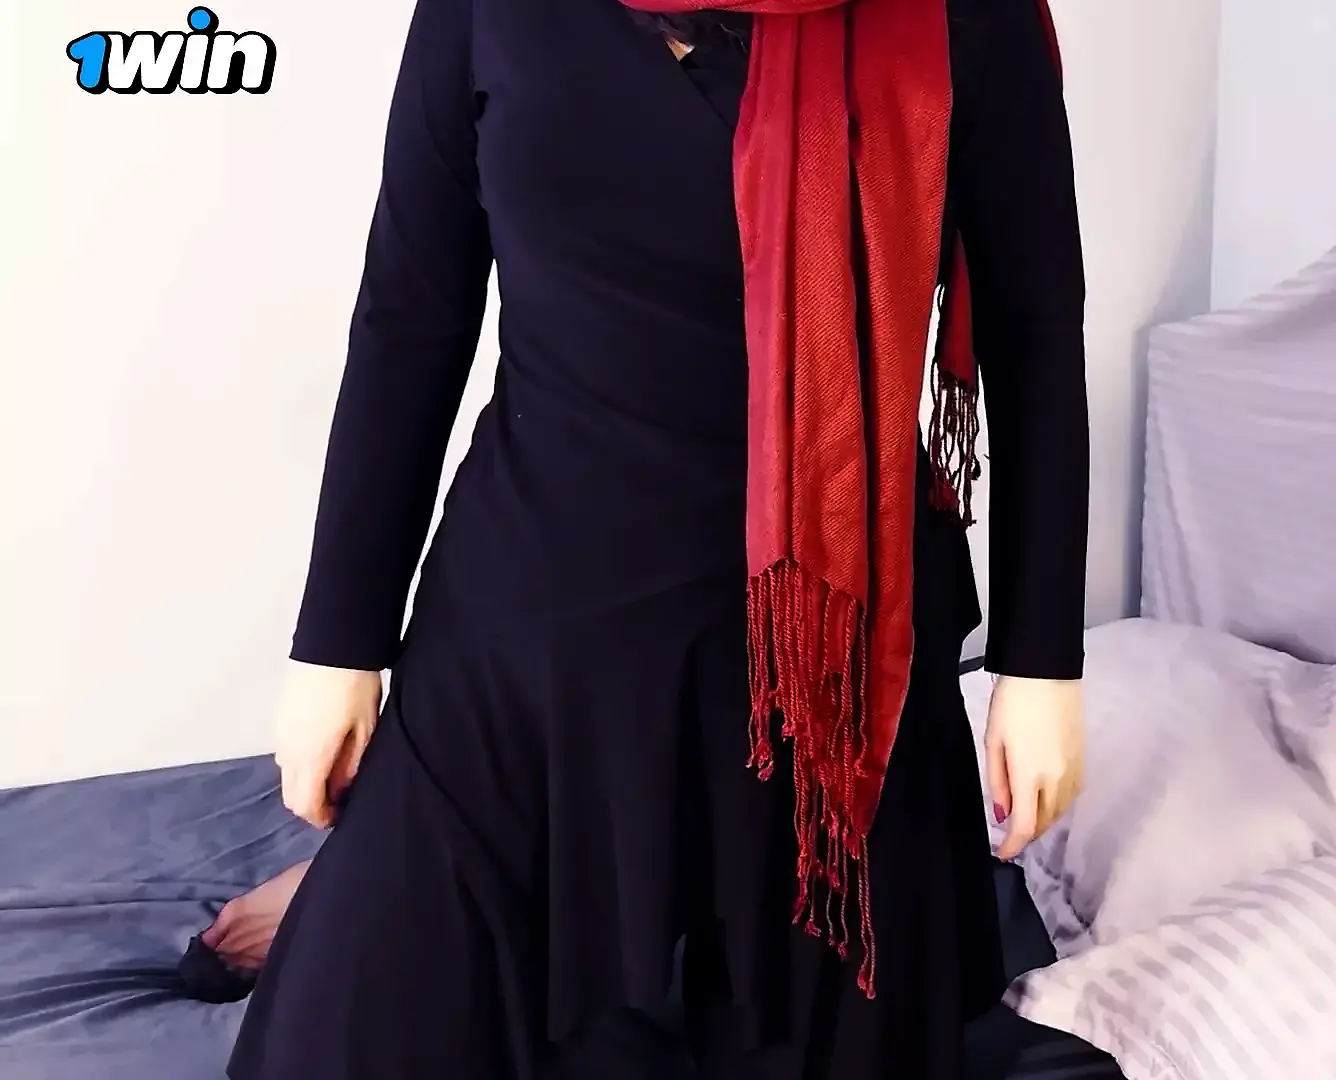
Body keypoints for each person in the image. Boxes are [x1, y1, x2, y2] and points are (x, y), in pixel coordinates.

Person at [222, 0, 1089, 1077]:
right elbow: (410, 313)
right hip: (532, 622)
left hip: (826, 661)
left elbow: (1033, 329)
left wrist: (1040, 665)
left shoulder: (963, 14)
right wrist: (337, 645)